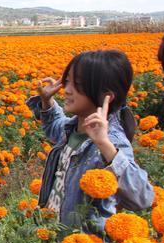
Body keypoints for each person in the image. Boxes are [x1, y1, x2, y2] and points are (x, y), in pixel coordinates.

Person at [26, 50, 153, 233]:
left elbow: (142, 198)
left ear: (106, 95)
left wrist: (104, 144)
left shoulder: (111, 141)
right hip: (56, 236)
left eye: (77, 84)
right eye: (67, 81)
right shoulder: (73, 128)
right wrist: (47, 101)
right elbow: (54, 125)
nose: (67, 89)